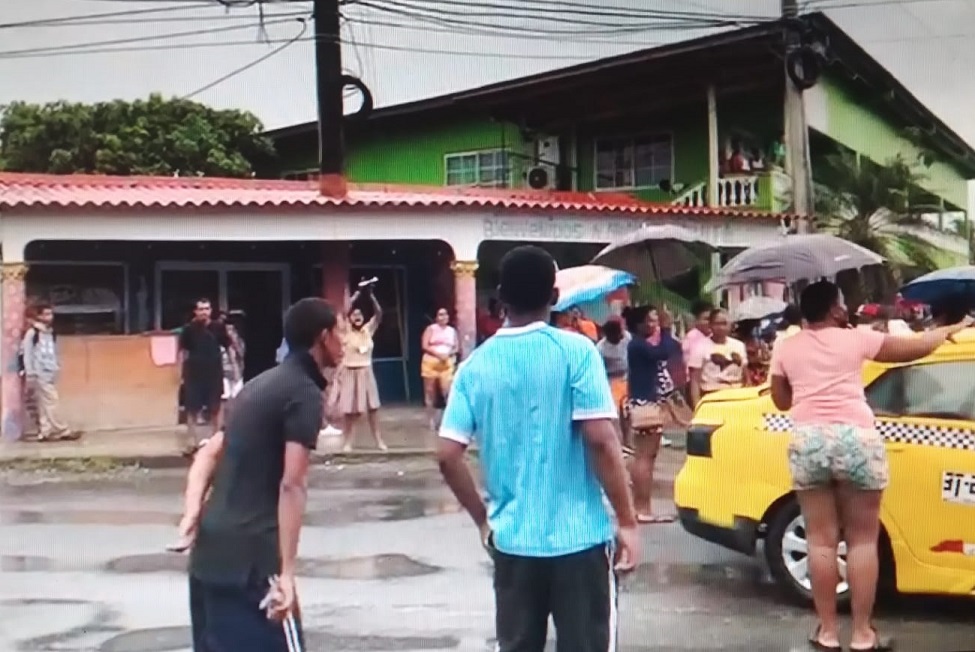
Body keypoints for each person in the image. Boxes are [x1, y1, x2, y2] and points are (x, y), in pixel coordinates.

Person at [437, 245, 640, 652]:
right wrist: (628, 521)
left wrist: (482, 520)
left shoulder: (474, 367)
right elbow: (601, 440)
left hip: (512, 542)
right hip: (580, 542)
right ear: (554, 296)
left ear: (500, 297)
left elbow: (446, 454)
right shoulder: (576, 352)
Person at [769, 280, 971, 652]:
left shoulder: (786, 345)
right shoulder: (857, 339)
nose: (846, 307)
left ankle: (827, 633)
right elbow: (912, 349)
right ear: (834, 309)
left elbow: (782, 401)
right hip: (856, 439)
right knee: (862, 540)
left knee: (820, 540)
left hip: (810, 439)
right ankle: (863, 634)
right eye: (842, 301)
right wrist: (950, 329)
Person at [171, 297, 343, 652]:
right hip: (253, 562)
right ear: (324, 337)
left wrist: (191, 514)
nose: (344, 340)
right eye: (339, 331)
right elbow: (292, 485)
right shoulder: (303, 393)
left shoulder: (257, 386)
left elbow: (206, 454)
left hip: (208, 555)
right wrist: (288, 573)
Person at [625, 305, 681, 524]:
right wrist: (666, 329)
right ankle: (642, 508)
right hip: (645, 404)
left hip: (644, 403)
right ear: (638, 325)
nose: (653, 325)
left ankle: (641, 506)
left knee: (645, 456)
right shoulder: (638, 346)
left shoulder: (639, 344)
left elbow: (672, 348)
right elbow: (663, 352)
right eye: (649, 321)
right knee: (645, 457)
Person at [335, 282, 386, 452]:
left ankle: (378, 440)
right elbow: (342, 311)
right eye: (354, 314)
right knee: (349, 410)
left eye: (360, 314)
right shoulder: (345, 331)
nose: (357, 316)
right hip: (350, 371)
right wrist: (356, 294)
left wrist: (371, 296)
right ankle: (348, 441)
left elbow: (379, 314)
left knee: (373, 408)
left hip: (366, 371)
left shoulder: (367, 330)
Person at [178, 299, 232, 456]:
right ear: (195, 311)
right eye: (200, 309)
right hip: (194, 372)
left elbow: (228, 347)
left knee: (216, 406)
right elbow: (182, 351)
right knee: (192, 408)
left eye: (206, 309)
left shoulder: (218, 327)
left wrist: (232, 369)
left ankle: (217, 441)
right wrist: (180, 373)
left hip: (214, 371)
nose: (204, 312)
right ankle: (191, 443)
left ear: (210, 310)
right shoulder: (188, 329)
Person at [20, 303, 78, 442]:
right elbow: (27, 354)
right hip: (39, 373)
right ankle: (62, 430)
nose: (49, 317)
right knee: (52, 401)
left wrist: (56, 367)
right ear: (38, 316)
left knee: (44, 403)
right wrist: (31, 373)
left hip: (49, 371)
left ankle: (45, 432)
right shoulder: (33, 333)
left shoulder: (49, 333)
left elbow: (52, 352)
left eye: (50, 314)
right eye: (45, 314)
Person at [687, 308, 746, 407]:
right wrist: (697, 406)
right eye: (717, 323)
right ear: (710, 325)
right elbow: (695, 380)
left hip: (737, 396)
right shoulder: (700, 346)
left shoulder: (739, 345)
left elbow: (745, 374)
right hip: (712, 396)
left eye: (724, 323)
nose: (721, 327)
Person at [421, 307, 459, 430]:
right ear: (436, 317)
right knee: (430, 392)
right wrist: (438, 354)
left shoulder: (452, 331)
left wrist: (448, 354)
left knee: (447, 391)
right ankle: (431, 421)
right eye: (440, 315)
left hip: (446, 363)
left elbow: (456, 347)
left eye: (445, 314)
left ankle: (448, 421)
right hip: (431, 362)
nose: (443, 317)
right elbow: (425, 345)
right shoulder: (430, 329)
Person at [596, 318, 631, 426]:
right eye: (617, 334)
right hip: (611, 380)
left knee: (628, 411)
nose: (620, 336)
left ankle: (628, 438)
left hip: (627, 376)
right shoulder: (601, 348)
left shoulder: (627, 338)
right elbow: (599, 369)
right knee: (615, 411)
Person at [681, 300, 712, 397]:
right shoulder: (693, 338)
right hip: (696, 386)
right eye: (706, 319)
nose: (709, 322)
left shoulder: (708, 337)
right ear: (696, 321)